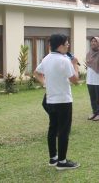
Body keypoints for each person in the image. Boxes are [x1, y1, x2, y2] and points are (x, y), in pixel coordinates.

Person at [34, 34, 80, 170]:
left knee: (53, 128)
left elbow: (36, 73)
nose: (68, 46)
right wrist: (75, 65)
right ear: (60, 45)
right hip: (63, 101)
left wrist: (45, 84)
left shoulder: (47, 58)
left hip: (51, 100)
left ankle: (53, 158)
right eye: (67, 43)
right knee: (63, 131)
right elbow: (75, 80)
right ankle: (62, 161)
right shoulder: (65, 61)